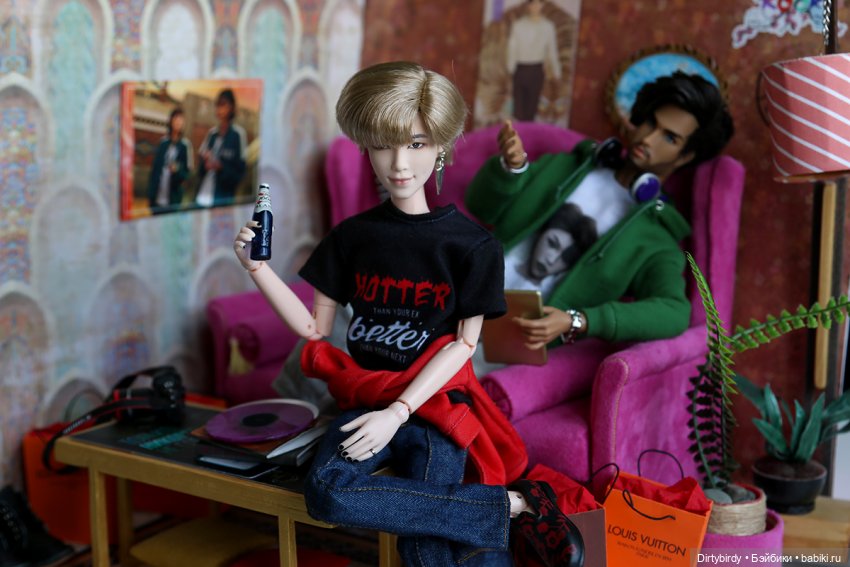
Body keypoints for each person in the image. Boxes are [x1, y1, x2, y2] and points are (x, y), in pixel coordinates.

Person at [234, 61, 584, 567]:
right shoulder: (352, 237)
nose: (399, 163)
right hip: (364, 398)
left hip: (435, 407)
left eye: (416, 144)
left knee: (423, 548)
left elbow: (464, 346)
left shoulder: (471, 246)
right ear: (366, 147)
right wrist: (257, 269)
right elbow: (315, 330)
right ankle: (511, 505)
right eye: (384, 145)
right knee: (326, 493)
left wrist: (398, 413)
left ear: (440, 147)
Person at [466, 71, 734, 351]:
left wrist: (580, 321)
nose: (649, 139)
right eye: (651, 123)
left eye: (669, 138)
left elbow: (673, 313)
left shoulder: (656, 237)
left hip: (512, 344)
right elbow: (481, 206)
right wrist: (511, 169)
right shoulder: (566, 168)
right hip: (466, 298)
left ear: (686, 156)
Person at [506, 0, 561, 121]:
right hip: (520, 69)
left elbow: (552, 50)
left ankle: (528, 132)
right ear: (528, 5)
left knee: (531, 108)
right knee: (518, 109)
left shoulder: (548, 26)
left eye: (538, 3)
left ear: (542, 5)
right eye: (532, 3)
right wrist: (510, 69)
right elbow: (512, 47)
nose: (535, 6)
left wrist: (557, 72)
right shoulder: (518, 25)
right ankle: (517, 131)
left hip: (536, 70)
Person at [196, 88, 247, 207]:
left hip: (222, 198)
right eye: (218, 105)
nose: (219, 109)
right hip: (203, 194)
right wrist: (205, 162)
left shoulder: (238, 135)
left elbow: (240, 173)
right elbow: (200, 165)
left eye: (223, 104)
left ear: (232, 107)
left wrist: (221, 167)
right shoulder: (212, 134)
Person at [147, 107, 193, 212]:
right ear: (171, 121)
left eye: (181, 120)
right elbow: (155, 170)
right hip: (157, 197)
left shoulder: (186, 145)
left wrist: (177, 170)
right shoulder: (163, 142)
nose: (178, 122)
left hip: (173, 198)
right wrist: (150, 193)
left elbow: (187, 174)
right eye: (176, 119)